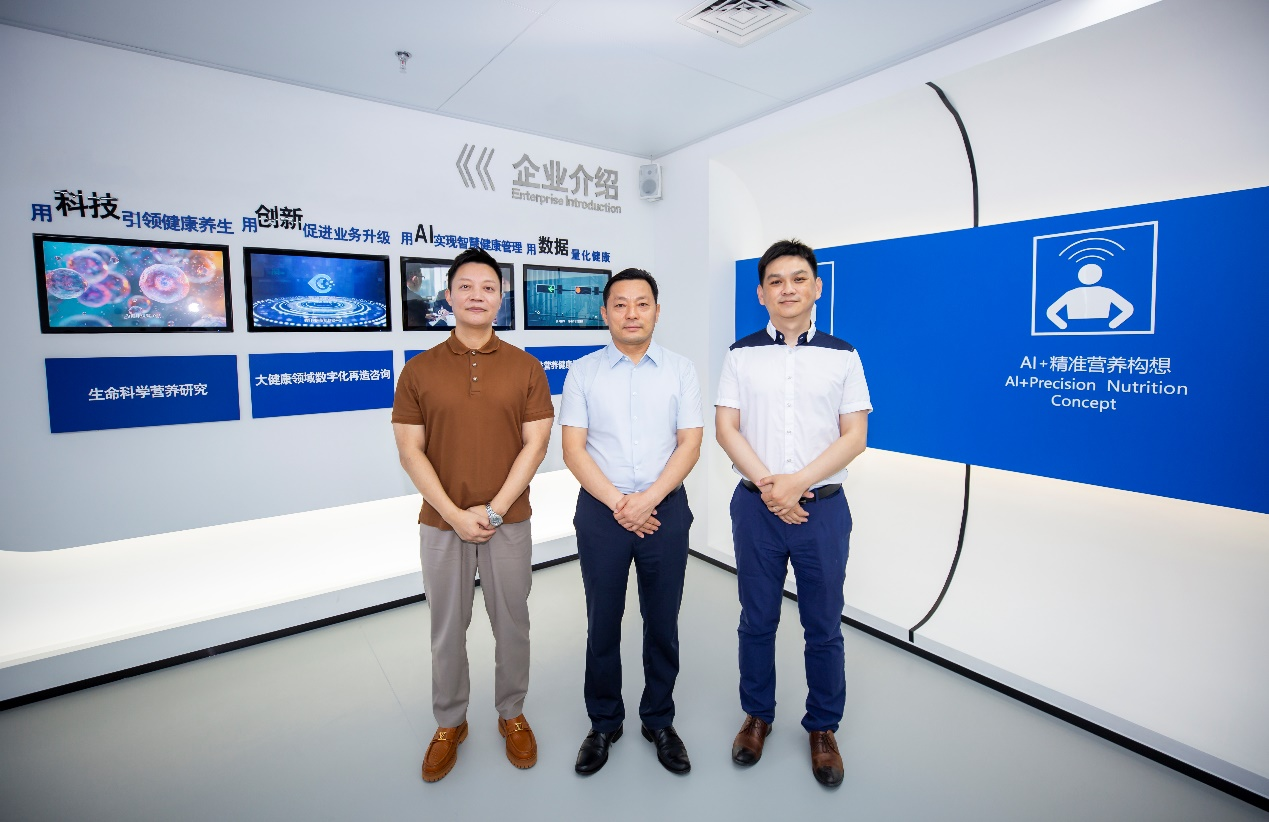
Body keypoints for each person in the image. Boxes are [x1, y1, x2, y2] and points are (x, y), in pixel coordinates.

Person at [391, 246, 554, 783]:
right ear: (448, 295)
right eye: (466, 286)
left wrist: (495, 510)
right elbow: (410, 451)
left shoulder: (526, 367)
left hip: (511, 521)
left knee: (513, 624)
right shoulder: (419, 370)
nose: (477, 296)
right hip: (442, 524)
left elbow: (535, 445)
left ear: (501, 298)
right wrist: (456, 514)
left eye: (488, 287)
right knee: (446, 629)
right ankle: (449, 722)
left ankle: (512, 713)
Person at [714, 239, 871, 788]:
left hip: (822, 511)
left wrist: (797, 484)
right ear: (761, 293)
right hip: (755, 509)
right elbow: (726, 428)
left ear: (816, 287)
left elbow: (855, 436)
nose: (788, 289)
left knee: (823, 625)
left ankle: (823, 727)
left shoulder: (844, 355)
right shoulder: (739, 354)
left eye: (798, 278)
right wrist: (771, 488)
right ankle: (757, 715)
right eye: (775, 281)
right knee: (756, 619)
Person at [559, 268, 703, 776]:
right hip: (602, 512)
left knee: (662, 622)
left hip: (665, 509)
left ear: (657, 311)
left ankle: (658, 719)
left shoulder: (681, 370)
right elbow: (573, 449)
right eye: (620, 304)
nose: (631, 313)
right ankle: (604, 722)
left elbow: (690, 443)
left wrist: (648, 501)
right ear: (605, 313)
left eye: (642, 303)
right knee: (602, 622)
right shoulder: (583, 372)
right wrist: (622, 503)